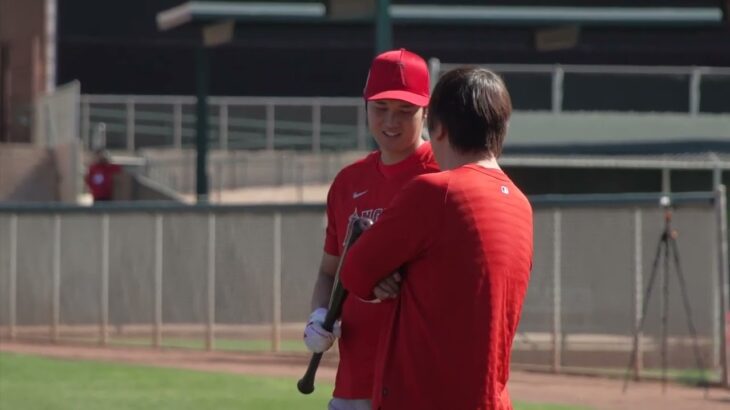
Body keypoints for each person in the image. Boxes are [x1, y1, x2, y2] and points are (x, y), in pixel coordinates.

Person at [340, 67, 534, 410]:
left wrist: (389, 274)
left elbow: (354, 271)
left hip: (427, 396)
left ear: (439, 128)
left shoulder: (436, 191)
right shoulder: (519, 202)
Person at [303, 48, 439, 410]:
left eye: (405, 110)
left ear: (426, 110)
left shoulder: (443, 175)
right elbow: (328, 271)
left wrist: (386, 275)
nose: (391, 121)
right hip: (353, 385)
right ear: (365, 107)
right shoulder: (349, 182)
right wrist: (319, 315)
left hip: (418, 386)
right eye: (381, 108)